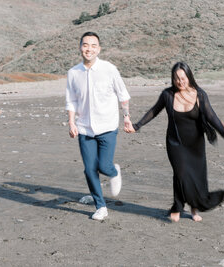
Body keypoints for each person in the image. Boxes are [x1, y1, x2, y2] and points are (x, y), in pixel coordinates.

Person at [124, 62, 224, 222]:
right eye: (176, 78)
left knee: (197, 177)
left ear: (189, 77)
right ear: (173, 79)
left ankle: (194, 208)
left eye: (183, 78)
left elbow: (211, 116)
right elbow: (154, 111)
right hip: (175, 143)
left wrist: (223, 131)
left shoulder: (200, 94)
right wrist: (136, 126)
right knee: (181, 174)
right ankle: (177, 206)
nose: (180, 81)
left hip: (195, 144)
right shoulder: (167, 95)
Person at [66, 32, 132, 221]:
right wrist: (71, 122)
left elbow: (123, 95)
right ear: (80, 47)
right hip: (84, 129)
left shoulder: (109, 69)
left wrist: (126, 117)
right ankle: (100, 206)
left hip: (108, 127)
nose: (89, 49)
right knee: (89, 169)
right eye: (86, 45)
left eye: (93, 45)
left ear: (99, 49)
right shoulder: (73, 73)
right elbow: (71, 101)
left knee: (104, 165)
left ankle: (114, 171)